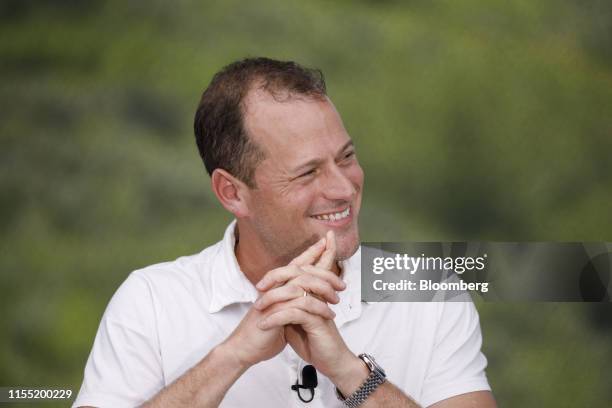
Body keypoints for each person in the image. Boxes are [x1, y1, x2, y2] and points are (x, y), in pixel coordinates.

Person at [74, 57, 497, 408]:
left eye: (346, 156)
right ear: (232, 192)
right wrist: (231, 357)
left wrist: (351, 373)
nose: (344, 187)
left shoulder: (428, 291)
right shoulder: (151, 301)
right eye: (308, 172)